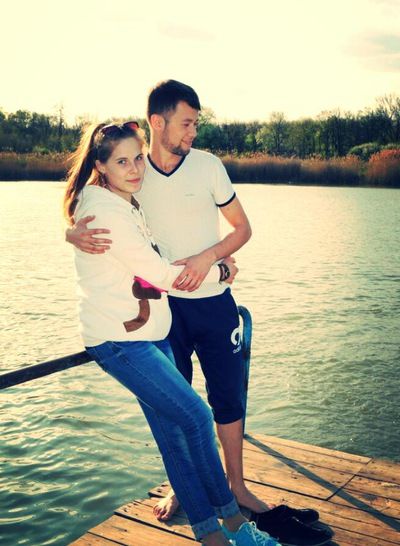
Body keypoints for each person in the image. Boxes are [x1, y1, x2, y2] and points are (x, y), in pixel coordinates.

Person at [66, 81, 333, 546]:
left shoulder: (203, 166)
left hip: (204, 305)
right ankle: (201, 504)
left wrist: (213, 260)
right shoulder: (131, 177)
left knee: (221, 401)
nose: (193, 131)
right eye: (187, 122)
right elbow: (94, 215)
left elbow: (242, 228)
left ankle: (236, 492)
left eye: (196, 123)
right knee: (182, 412)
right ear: (158, 122)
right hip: (162, 314)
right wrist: (70, 234)